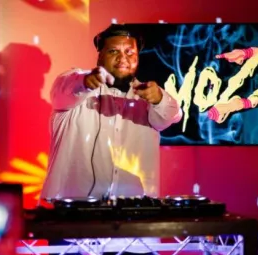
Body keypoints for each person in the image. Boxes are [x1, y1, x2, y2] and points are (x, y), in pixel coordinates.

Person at [41, 24, 182, 201]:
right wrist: (85, 80)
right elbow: (64, 86)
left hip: (134, 214)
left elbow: (173, 115)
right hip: (70, 214)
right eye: (113, 51)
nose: (123, 58)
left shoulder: (148, 97)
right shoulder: (74, 88)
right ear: (100, 58)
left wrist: (160, 98)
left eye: (130, 52)